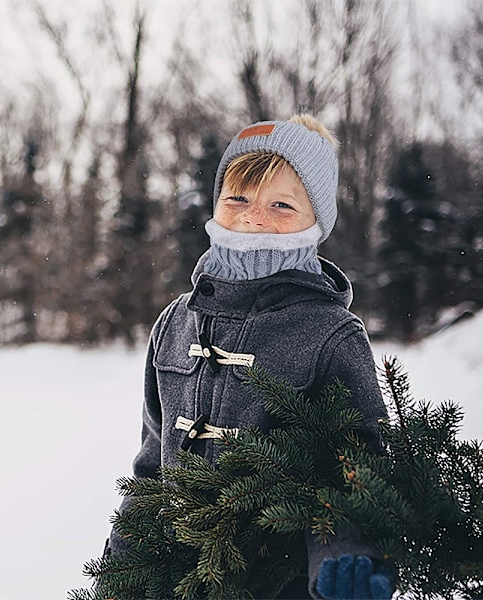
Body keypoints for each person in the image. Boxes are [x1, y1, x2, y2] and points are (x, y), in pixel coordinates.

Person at [106, 115, 394, 599]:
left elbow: (356, 464)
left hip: (281, 583)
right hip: (178, 580)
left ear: (316, 221)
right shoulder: (176, 321)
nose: (254, 215)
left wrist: (343, 552)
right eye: (238, 197)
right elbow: (153, 462)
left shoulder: (331, 333)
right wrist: (125, 563)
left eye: (282, 203)